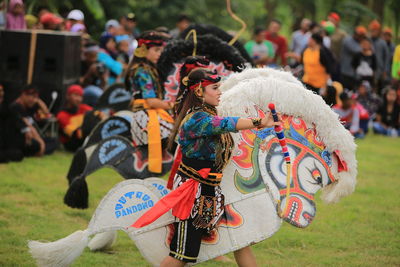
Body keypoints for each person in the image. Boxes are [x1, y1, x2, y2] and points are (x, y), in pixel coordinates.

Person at [131, 66, 281, 266]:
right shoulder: (196, 119)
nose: (220, 92)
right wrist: (259, 121)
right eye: (215, 88)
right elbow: (225, 123)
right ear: (199, 91)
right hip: (192, 193)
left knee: (240, 240)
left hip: (209, 190)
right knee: (182, 253)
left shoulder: (207, 113)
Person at [125, 31, 174, 173]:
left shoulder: (150, 69)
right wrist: (173, 105)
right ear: (144, 50)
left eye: (161, 50)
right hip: (146, 116)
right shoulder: (142, 71)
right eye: (156, 50)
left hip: (152, 113)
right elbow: (152, 101)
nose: (160, 54)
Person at [56, 85, 93, 152]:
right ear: (68, 96)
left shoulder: (84, 108)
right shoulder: (62, 115)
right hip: (71, 142)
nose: (78, 99)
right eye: (75, 95)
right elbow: (75, 133)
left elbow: (98, 113)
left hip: (85, 138)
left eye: (80, 96)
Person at [340, 26, 366, 91]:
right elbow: (358, 51)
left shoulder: (360, 42)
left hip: (356, 74)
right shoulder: (348, 40)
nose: (359, 37)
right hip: (346, 72)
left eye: (361, 35)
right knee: (346, 92)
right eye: (358, 34)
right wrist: (365, 47)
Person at [368, 20, 390, 92]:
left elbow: (387, 58)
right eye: (372, 30)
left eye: (375, 30)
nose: (374, 32)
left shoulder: (382, 43)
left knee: (377, 88)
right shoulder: (367, 41)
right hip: (368, 69)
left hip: (379, 70)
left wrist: (385, 71)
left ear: (379, 31)